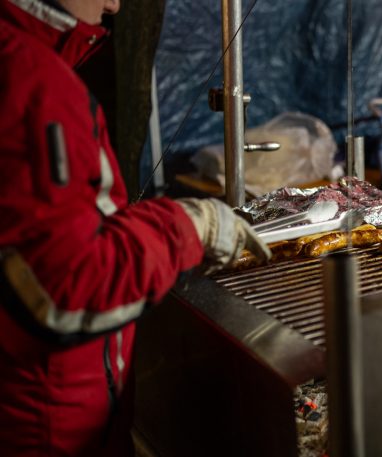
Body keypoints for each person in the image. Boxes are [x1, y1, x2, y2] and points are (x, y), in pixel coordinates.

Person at [0, 0, 270, 455]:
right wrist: (188, 226)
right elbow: (62, 292)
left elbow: (49, 236)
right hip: (45, 429)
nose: (115, 5)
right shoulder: (32, 81)